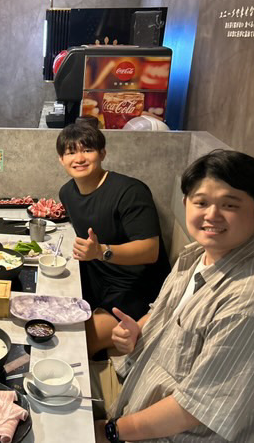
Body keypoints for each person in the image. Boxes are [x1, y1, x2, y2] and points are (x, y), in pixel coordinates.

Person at [95, 150, 254, 443]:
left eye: (230, 204)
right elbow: (166, 313)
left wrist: (110, 431)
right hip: (134, 396)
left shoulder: (250, 305)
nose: (212, 215)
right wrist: (138, 329)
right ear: (186, 203)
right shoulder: (196, 256)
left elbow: (193, 410)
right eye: (201, 202)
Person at [56, 123, 170, 358]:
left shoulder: (130, 191)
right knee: (49, 322)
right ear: (61, 159)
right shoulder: (67, 193)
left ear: (102, 153)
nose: (79, 158)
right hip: (95, 280)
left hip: (136, 290)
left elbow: (150, 251)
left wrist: (101, 251)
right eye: (70, 152)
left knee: (75, 344)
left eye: (87, 150)